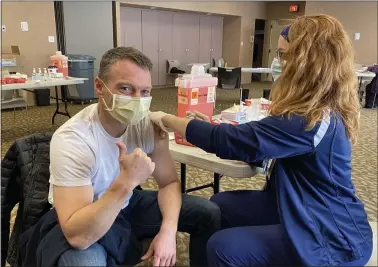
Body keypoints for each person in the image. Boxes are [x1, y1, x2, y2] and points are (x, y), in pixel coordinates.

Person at [149, 14, 373, 266]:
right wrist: (210, 126)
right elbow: (257, 143)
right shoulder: (316, 111)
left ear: (306, 61)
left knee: (223, 247)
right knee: (219, 205)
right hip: (299, 204)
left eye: (283, 55)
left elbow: (231, 142)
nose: (277, 63)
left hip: (331, 235)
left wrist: (166, 118)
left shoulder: (312, 119)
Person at [36, 47, 220, 266]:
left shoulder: (147, 126)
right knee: (84, 262)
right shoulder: (73, 140)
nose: (137, 100)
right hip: (86, 212)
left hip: (128, 203)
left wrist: (168, 231)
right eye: (125, 88)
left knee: (208, 213)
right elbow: (77, 236)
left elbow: (169, 182)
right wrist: (127, 182)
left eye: (144, 92)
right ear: (99, 87)